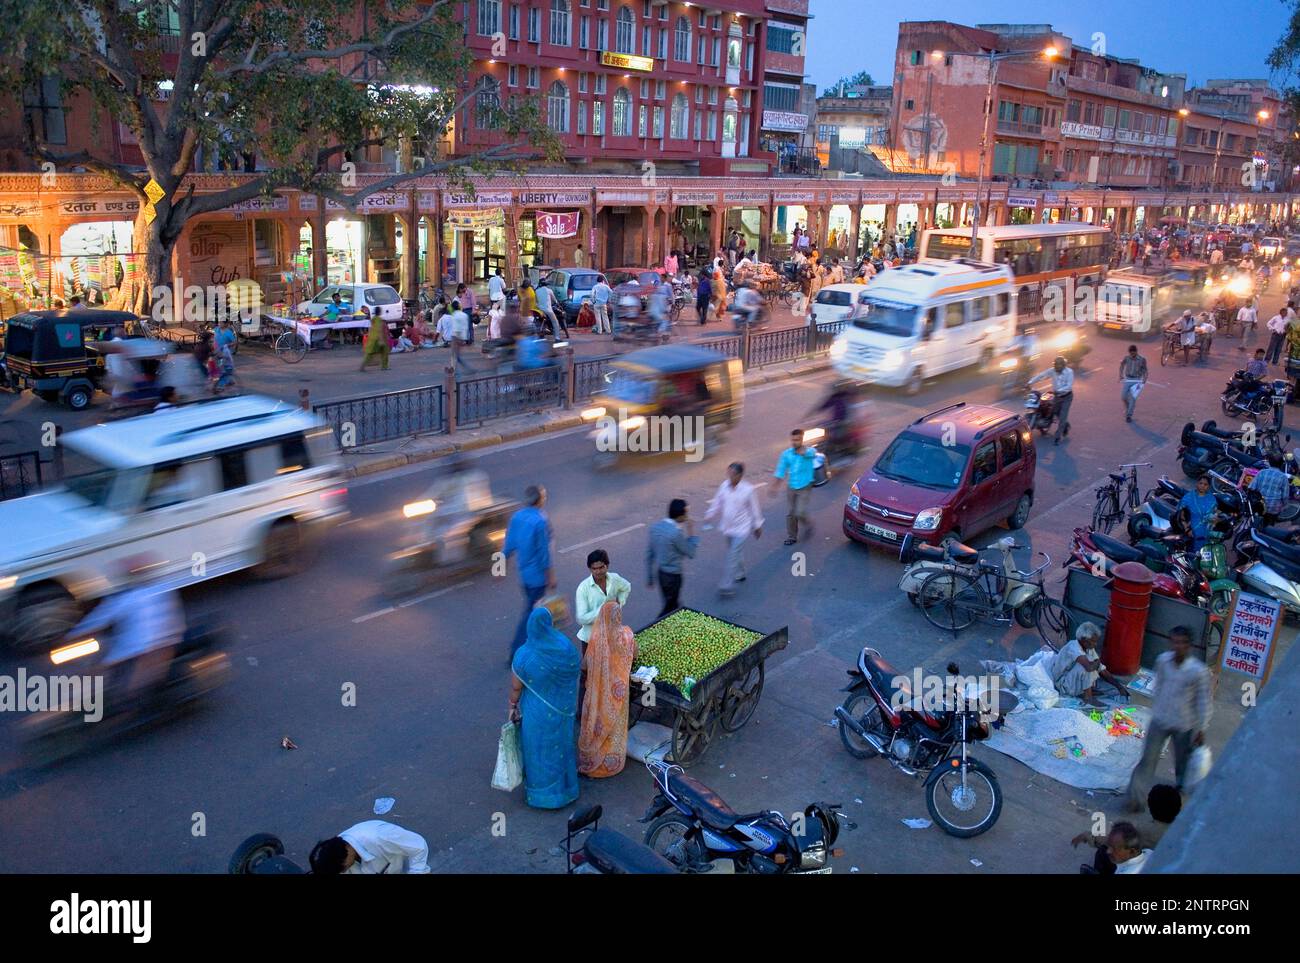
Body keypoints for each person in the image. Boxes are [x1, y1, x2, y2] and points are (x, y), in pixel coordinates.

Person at [69, 558, 184, 703]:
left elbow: (98, 619)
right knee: (100, 670)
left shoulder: (131, 597)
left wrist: (72, 636)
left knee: (128, 690)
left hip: (150, 648)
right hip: (141, 647)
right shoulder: (160, 589)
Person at [1126, 626, 1212, 812]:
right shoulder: (1163, 661)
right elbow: (1158, 686)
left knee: (1182, 764)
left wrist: (1201, 728)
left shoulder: (1198, 671)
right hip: (1160, 720)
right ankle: (1136, 798)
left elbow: (1203, 701)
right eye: (1175, 642)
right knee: (1147, 760)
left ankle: (1180, 791)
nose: (1178, 646)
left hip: (1184, 725)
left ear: (1189, 646)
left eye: (1182, 643)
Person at [509, 606, 581, 809]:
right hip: (563, 711)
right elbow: (577, 667)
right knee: (562, 748)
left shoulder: (524, 655)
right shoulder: (565, 647)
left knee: (539, 753)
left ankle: (543, 797)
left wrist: (512, 707)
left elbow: (515, 688)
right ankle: (566, 791)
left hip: (536, 714)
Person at [577, 600, 637, 778]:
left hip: (597, 693)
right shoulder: (626, 635)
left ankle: (592, 760)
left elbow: (584, 665)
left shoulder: (595, 640)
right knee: (615, 726)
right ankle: (610, 762)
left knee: (597, 723)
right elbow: (635, 654)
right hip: (617, 695)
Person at [503, 485, 555, 658]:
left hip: (524, 576)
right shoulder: (540, 521)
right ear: (540, 499)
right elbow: (544, 553)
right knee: (531, 612)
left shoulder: (517, 516)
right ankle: (516, 650)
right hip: (537, 578)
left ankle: (539, 642)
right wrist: (551, 576)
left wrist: (498, 569)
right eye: (544, 496)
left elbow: (508, 545)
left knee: (535, 609)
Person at [702, 462, 764, 597]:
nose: (730, 477)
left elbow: (755, 509)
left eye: (733, 474)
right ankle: (740, 573)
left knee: (732, 555)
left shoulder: (748, 490)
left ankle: (726, 584)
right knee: (736, 552)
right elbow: (717, 503)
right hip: (728, 528)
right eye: (728, 473)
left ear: (740, 475)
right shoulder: (724, 486)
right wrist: (709, 515)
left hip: (742, 528)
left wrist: (757, 526)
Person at [419, 454, 494, 565]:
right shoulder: (446, 480)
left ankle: (453, 561)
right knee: (427, 522)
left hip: (471, 513)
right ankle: (425, 547)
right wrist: (421, 503)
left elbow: (478, 497)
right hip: (448, 513)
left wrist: (474, 508)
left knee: (452, 533)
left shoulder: (475, 476)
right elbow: (432, 494)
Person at [309, 821, 431, 874]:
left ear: (347, 852)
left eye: (343, 869)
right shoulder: (335, 858)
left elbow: (419, 847)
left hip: (400, 866)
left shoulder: (380, 836)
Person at [1050, 622, 1129, 703]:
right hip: (1063, 684)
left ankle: (1085, 691)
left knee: (1094, 668)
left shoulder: (1088, 647)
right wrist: (1096, 663)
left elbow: (1101, 669)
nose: (1095, 644)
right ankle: (1088, 698)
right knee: (1086, 668)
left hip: (1073, 679)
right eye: (1093, 641)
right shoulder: (1073, 647)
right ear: (1084, 639)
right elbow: (1089, 667)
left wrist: (1119, 687)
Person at [645, 498, 699, 616]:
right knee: (671, 608)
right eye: (686, 513)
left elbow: (649, 554)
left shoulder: (655, 527)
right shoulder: (675, 534)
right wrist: (691, 532)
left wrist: (649, 576)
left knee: (671, 603)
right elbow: (691, 552)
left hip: (661, 574)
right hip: (673, 576)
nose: (687, 516)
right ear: (680, 516)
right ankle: (656, 627)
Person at [574, 549, 632, 646]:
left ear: (607, 566)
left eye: (601, 567)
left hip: (612, 634)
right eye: (594, 569)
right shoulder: (583, 588)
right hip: (592, 640)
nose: (598, 572)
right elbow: (581, 618)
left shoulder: (614, 579)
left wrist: (619, 603)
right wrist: (604, 610)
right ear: (590, 569)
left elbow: (626, 587)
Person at [773, 428, 818, 545]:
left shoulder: (808, 452)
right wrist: (775, 486)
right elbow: (781, 470)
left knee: (800, 511)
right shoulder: (786, 454)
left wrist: (804, 453)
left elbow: (813, 452)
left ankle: (809, 524)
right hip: (792, 487)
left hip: (805, 486)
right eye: (793, 440)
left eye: (797, 440)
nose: (795, 442)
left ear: (802, 439)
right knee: (791, 513)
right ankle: (792, 536)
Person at [1028, 356, 1075, 445]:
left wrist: (1059, 391)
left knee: (1062, 416)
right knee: (1054, 411)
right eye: (1056, 366)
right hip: (1057, 396)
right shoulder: (1052, 370)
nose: (1057, 368)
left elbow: (1069, 386)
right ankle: (1065, 425)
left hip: (1066, 397)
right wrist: (1030, 382)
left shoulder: (1069, 372)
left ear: (1064, 366)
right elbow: (1041, 375)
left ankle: (1057, 437)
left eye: (1059, 366)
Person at [1177, 475, 1217, 549]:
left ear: (1209, 486)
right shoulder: (1188, 497)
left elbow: (1214, 515)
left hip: (1206, 529)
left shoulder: (1212, 499)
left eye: (1205, 484)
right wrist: (1187, 529)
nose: (1202, 486)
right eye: (1200, 483)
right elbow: (1180, 514)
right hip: (1190, 527)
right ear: (1197, 484)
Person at [1250, 452, 1290, 519]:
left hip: (1258, 506)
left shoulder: (1261, 472)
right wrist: (1285, 506)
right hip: (1273, 509)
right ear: (1282, 464)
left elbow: (1252, 487)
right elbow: (1285, 496)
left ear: (1269, 462)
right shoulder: (1283, 477)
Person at [1118, 344, 1148, 423]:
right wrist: (1120, 375)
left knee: (1132, 399)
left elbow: (1145, 370)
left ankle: (1129, 415)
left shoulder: (1142, 359)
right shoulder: (1126, 358)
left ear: (1136, 352)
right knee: (1123, 396)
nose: (1132, 355)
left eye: (1133, 354)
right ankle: (1128, 408)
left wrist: (1145, 378)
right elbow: (1121, 365)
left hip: (1137, 381)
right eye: (1131, 354)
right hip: (1128, 379)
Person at [447, 299, 472, 371]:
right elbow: (466, 327)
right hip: (463, 336)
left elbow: (455, 328)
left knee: (454, 354)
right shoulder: (464, 315)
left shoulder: (454, 315)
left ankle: (454, 369)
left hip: (455, 336)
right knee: (457, 354)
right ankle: (460, 369)